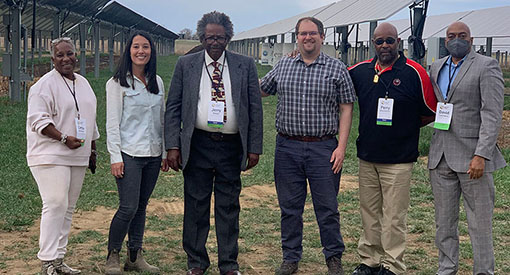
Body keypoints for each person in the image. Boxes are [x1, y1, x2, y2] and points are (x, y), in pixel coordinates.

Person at [164, 11, 263, 275]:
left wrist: (254, 147)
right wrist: (172, 146)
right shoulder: (187, 64)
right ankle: (196, 262)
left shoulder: (245, 65)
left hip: (232, 146)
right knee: (196, 205)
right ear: (202, 38)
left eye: (220, 37)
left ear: (228, 38)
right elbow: (173, 107)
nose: (215, 42)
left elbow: (255, 108)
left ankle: (229, 264)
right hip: (198, 144)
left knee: (228, 206)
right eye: (209, 37)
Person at [260, 17, 356, 275]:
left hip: (323, 148)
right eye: (303, 33)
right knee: (289, 207)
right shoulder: (284, 65)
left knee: (327, 208)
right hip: (287, 148)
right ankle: (290, 258)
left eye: (313, 33)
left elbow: (347, 107)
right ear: (297, 37)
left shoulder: (337, 69)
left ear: (322, 36)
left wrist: (341, 148)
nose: (308, 38)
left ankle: (333, 258)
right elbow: (261, 89)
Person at [347, 23, 437, 275]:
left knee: (394, 216)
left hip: (399, 159)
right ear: (373, 44)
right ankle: (370, 260)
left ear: (398, 41)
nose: (384, 46)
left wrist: (404, 128)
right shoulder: (360, 71)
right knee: (369, 212)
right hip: (368, 156)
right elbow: (333, 75)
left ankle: (393, 265)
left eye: (389, 41)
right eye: (379, 41)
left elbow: (430, 111)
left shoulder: (415, 73)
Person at [428, 21, 506, 275]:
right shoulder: (437, 66)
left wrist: (481, 154)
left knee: (480, 223)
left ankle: (483, 271)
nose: (456, 40)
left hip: (473, 158)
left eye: (462, 36)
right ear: (445, 40)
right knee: (444, 223)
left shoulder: (486, 66)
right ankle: (446, 268)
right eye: (451, 36)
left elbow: (492, 113)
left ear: (471, 40)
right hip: (441, 158)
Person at [26, 37, 99, 275]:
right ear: (52, 59)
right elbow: (38, 121)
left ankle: (59, 259)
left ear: (76, 55)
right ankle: (47, 261)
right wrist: (63, 138)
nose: (66, 59)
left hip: (77, 154)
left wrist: (93, 148)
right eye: (60, 55)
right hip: (50, 153)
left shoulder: (83, 83)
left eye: (70, 54)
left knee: (68, 207)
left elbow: (89, 116)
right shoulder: (43, 86)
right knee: (56, 203)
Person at [104, 31, 167, 275]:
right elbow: (112, 122)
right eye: (136, 46)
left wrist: (162, 153)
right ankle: (113, 255)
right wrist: (115, 157)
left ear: (152, 51)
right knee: (128, 207)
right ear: (128, 50)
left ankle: (135, 255)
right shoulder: (117, 83)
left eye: (146, 47)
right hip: (129, 153)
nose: (141, 51)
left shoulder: (157, 81)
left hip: (152, 154)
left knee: (141, 206)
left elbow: (160, 120)